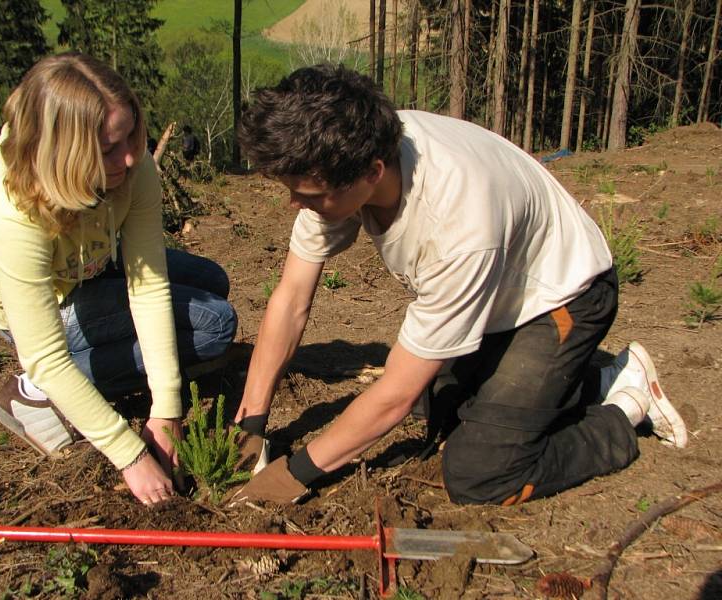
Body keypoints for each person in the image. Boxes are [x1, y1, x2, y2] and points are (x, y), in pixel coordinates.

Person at [228, 64, 687, 506]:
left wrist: (294, 474)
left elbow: (395, 395)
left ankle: (623, 407)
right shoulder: (350, 143)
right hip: (497, 293)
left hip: (563, 296)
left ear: (372, 173)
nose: (293, 204)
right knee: (437, 402)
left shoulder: (456, 224)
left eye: (307, 195)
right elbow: (290, 301)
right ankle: (585, 380)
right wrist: (251, 423)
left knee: (481, 471)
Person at [0, 53, 237, 506]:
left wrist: (167, 409)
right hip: (43, 310)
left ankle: (76, 381)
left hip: (89, 265)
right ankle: (33, 394)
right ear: (63, 152)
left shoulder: (132, 168)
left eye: (130, 134)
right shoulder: (9, 210)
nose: (131, 157)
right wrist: (130, 455)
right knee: (215, 325)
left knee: (212, 282)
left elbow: (147, 283)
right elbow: (47, 354)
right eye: (109, 148)